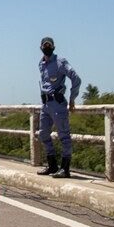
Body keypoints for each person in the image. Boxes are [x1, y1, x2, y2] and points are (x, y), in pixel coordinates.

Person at [35, 37, 81, 178]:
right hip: (46, 105)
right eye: (44, 45)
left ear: (54, 47)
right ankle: (52, 165)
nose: (47, 47)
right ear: (41, 47)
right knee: (43, 133)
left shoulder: (60, 62)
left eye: (49, 45)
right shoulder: (41, 64)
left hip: (58, 104)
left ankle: (65, 169)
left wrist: (72, 99)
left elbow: (76, 78)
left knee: (64, 136)